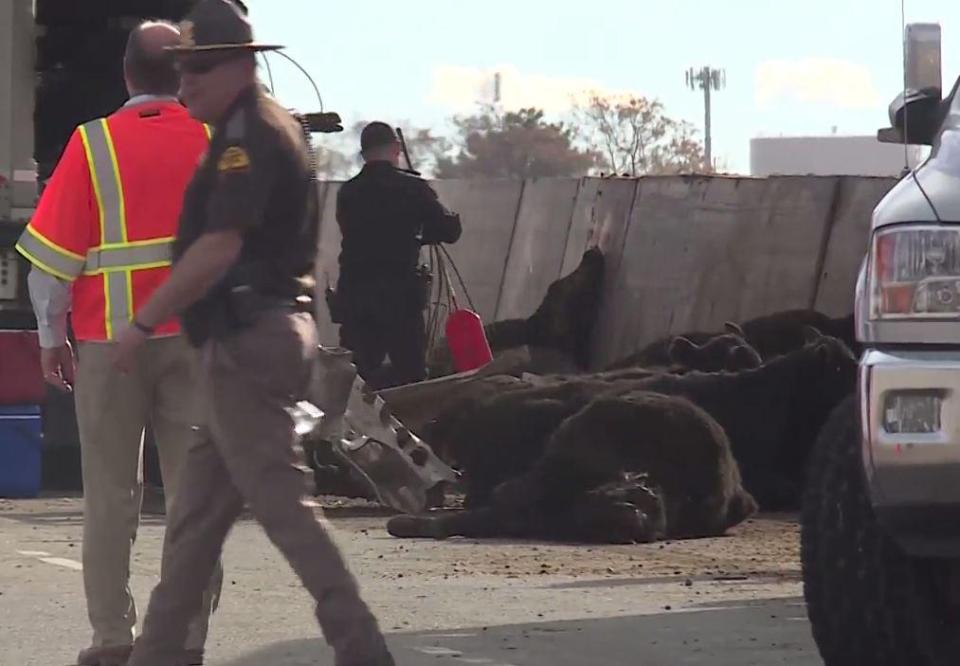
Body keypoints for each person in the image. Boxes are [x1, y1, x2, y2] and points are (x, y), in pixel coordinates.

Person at [110, 2, 395, 665]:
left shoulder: (249, 138)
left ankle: (364, 650)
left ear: (242, 65)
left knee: (286, 511)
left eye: (200, 69)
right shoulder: (251, 129)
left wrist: (142, 321)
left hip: (250, 340)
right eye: (180, 71)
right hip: (243, 341)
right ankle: (157, 654)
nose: (186, 86)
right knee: (193, 526)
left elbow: (218, 246)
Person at [15, 20, 222, 666]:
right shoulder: (217, 146)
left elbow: (49, 263)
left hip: (110, 343)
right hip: (199, 344)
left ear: (127, 74)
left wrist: (52, 338)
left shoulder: (93, 144)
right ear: (183, 77)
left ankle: (112, 641)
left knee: (110, 497)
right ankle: (185, 642)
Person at [332, 122, 462, 389]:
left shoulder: (348, 192)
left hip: (356, 298)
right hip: (400, 299)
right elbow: (448, 230)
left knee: (355, 379)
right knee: (411, 376)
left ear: (364, 153)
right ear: (396, 149)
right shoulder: (413, 187)